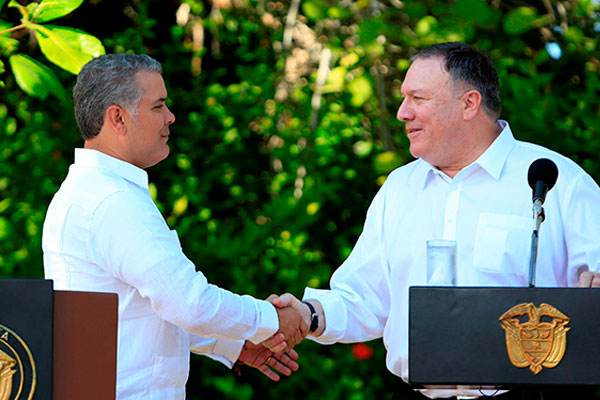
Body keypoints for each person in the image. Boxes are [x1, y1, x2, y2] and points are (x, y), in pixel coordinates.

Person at [270, 42, 600, 399]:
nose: (402, 113)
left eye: (418, 98)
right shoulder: (398, 189)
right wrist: (307, 314)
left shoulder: (558, 182)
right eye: (403, 98)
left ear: (469, 104)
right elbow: (363, 298)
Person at [42, 54, 307, 399]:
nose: (170, 117)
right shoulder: (113, 201)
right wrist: (270, 320)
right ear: (118, 117)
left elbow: (145, 308)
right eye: (158, 106)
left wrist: (234, 343)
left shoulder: (88, 191)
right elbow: (188, 303)